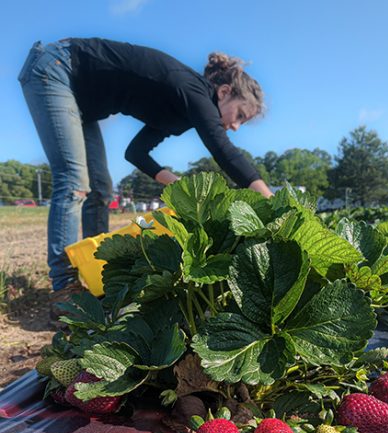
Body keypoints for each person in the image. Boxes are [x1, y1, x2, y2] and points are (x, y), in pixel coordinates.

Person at [18, 37, 273, 304]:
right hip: (58, 68)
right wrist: (270, 200)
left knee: (101, 187)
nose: (236, 126)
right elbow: (224, 151)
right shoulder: (194, 91)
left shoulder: (180, 112)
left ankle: (98, 276)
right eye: (241, 116)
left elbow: (136, 153)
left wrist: (181, 188)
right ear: (223, 92)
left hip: (82, 104)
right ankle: (64, 286)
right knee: (73, 180)